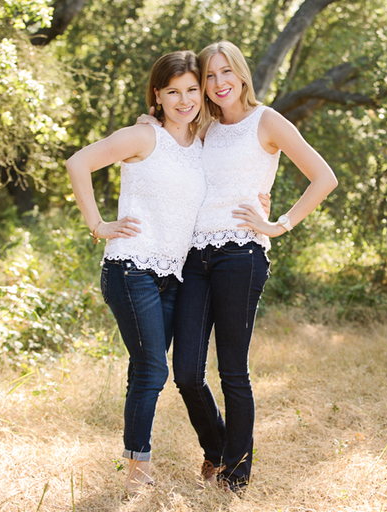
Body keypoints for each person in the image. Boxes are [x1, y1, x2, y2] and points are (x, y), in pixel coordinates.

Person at [140, 40, 338, 493]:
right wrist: (144, 121)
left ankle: (236, 475)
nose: (217, 83)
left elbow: (324, 177)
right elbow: (164, 141)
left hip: (240, 256)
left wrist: (278, 223)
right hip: (195, 256)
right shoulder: (205, 127)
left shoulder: (266, 121)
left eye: (225, 72)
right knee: (186, 371)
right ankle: (217, 448)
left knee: (233, 371)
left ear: (242, 74)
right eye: (209, 75)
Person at [66, 50, 207, 496]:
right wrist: (97, 224)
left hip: (173, 275)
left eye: (191, 90)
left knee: (147, 368)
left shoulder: (201, 143)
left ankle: (138, 461)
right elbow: (77, 163)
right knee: (152, 369)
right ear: (158, 96)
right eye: (173, 92)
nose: (184, 100)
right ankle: (137, 472)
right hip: (131, 268)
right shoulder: (143, 137)